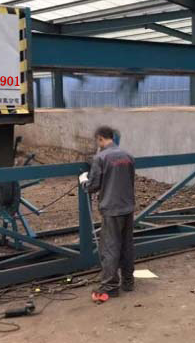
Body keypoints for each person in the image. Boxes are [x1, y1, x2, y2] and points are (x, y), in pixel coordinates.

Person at [81, 126, 136, 302]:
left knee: (110, 247)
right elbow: (131, 180)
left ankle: (110, 287)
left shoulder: (101, 158)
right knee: (126, 245)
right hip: (127, 206)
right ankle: (128, 281)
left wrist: (84, 181)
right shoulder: (128, 156)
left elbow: (93, 186)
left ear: (100, 138)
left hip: (112, 209)